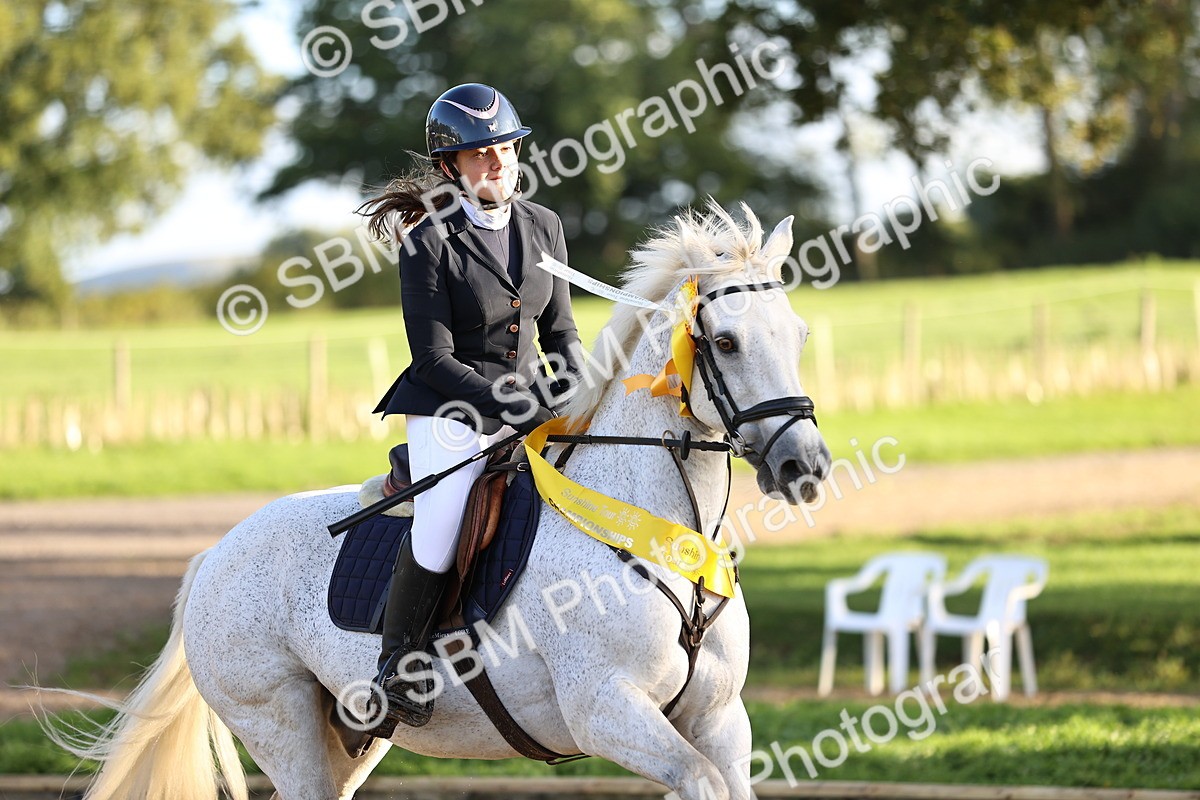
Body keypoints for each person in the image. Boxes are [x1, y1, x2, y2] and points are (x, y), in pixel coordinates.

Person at [357, 83, 583, 730]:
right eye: (480, 155)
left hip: (527, 402)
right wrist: (514, 400)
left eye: (504, 149)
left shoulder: (546, 225)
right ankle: (398, 664)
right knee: (444, 510)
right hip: (449, 409)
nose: (497, 163)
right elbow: (432, 358)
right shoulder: (427, 241)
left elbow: (561, 334)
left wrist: (573, 384)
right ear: (450, 167)